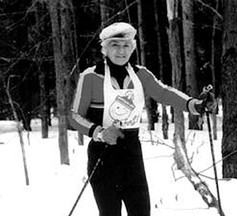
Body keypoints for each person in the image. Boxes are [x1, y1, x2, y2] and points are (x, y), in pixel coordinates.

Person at [69, 22, 216, 216]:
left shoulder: (141, 75)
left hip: (131, 152)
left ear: (132, 48)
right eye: (115, 45)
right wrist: (100, 133)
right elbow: (73, 116)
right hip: (103, 154)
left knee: (141, 212)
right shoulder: (90, 76)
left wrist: (193, 105)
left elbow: (164, 93)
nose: (121, 51)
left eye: (126, 45)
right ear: (105, 48)